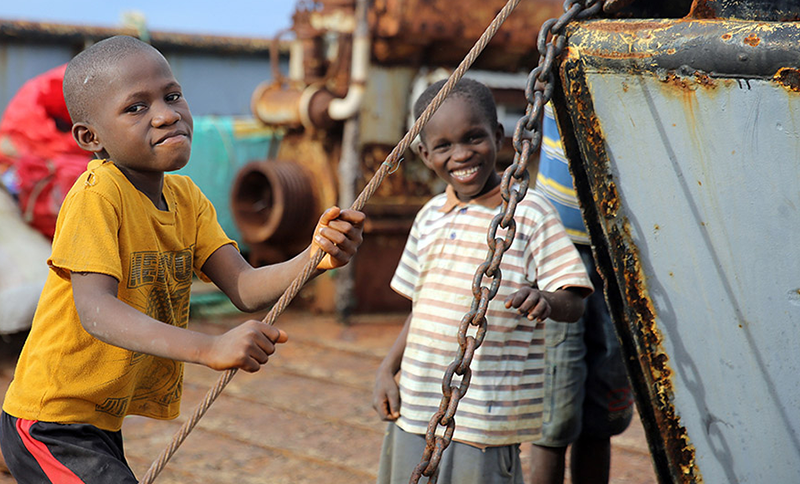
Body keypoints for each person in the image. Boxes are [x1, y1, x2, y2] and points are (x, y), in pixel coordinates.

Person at [0, 35, 365, 484]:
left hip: (100, 422)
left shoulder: (186, 198)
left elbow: (245, 288)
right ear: (90, 137)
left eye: (172, 96)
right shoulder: (97, 196)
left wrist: (315, 257)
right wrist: (209, 348)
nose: (167, 114)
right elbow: (96, 312)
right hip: (50, 421)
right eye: (136, 107)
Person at [371, 78, 593, 484]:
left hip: (485, 422)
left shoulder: (529, 214)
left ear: (498, 136)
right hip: (416, 409)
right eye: (444, 146)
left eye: (474, 138)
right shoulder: (429, 217)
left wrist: (545, 299)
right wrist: (388, 369)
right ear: (424, 154)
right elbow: (419, 311)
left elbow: (575, 300)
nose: (461, 154)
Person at [528, 102, 634, 484]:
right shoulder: (561, 47)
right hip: (559, 250)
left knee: (603, 407)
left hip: (622, 247)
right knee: (555, 415)